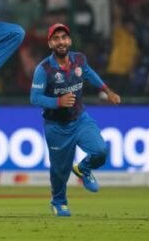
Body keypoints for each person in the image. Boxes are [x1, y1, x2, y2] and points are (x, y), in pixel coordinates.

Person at [30, 23, 121, 217]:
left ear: (69, 40)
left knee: (100, 151)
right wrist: (58, 101)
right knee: (59, 171)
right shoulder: (43, 69)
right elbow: (35, 98)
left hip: (80, 119)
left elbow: (91, 74)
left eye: (64, 37)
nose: (61, 41)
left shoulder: (80, 59)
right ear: (50, 44)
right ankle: (59, 202)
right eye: (56, 38)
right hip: (56, 126)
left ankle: (83, 168)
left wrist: (107, 91)